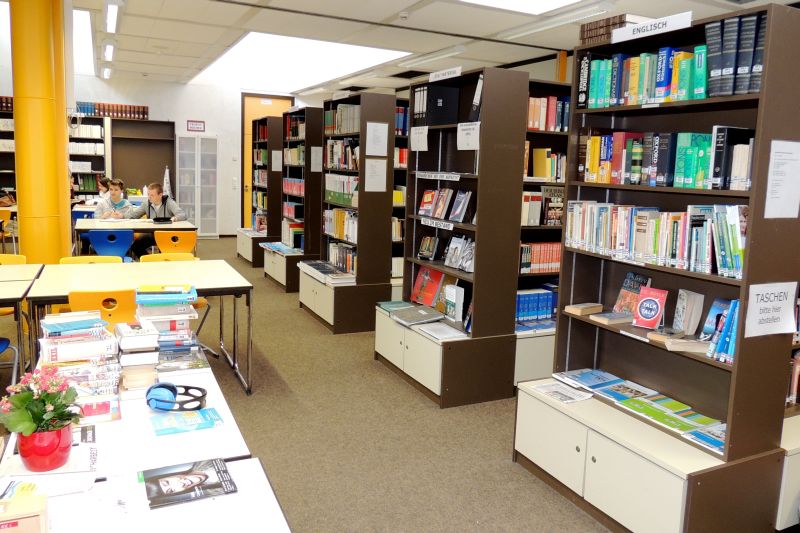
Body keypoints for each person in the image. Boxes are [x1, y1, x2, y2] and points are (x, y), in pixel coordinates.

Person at [126, 182, 187, 257]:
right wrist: (122, 216)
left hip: (167, 234)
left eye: (152, 195)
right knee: (135, 246)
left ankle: (162, 261)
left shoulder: (169, 202)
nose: (149, 197)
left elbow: (183, 215)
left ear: (160, 195)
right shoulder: (146, 204)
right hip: (152, 234)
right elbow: (133, 215)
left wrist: (173, 219)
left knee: (165, 253)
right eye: (148, 194)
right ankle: (149, 261)